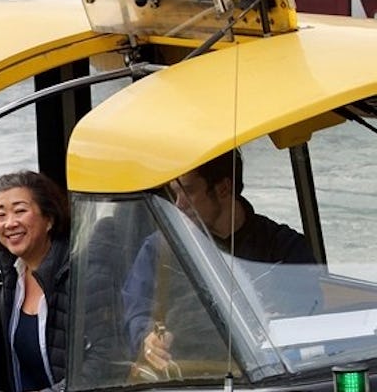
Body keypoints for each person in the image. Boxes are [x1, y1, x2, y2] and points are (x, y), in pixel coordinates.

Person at [122, 149, 321, 374]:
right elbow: (136, 309)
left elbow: (309, 319)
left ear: (224, 188)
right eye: (174, 193)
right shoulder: (160, 249)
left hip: (266, 375)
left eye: (187, 191)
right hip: (188, 377)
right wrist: (147, 337)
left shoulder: (286, 249)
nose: (178, 205)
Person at [0, 171, 70, 392]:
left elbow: (95, 370)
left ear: (49, 219)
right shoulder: (13, 269)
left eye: (20, 211)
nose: (10, 223)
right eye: (0, 215)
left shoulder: (76, 274)